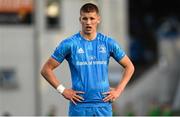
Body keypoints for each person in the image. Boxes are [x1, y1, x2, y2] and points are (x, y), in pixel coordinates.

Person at [41, 3, 135, 116]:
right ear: (80, 20)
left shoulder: (108, 43)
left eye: (92, 18)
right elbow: (46, 70)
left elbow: (130, 66)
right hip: (80, 105)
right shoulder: (69, 44)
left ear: (98, 20)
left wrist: (118, 90)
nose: (88, 22)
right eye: (85, 18)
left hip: (103, 104)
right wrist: (63, 90)